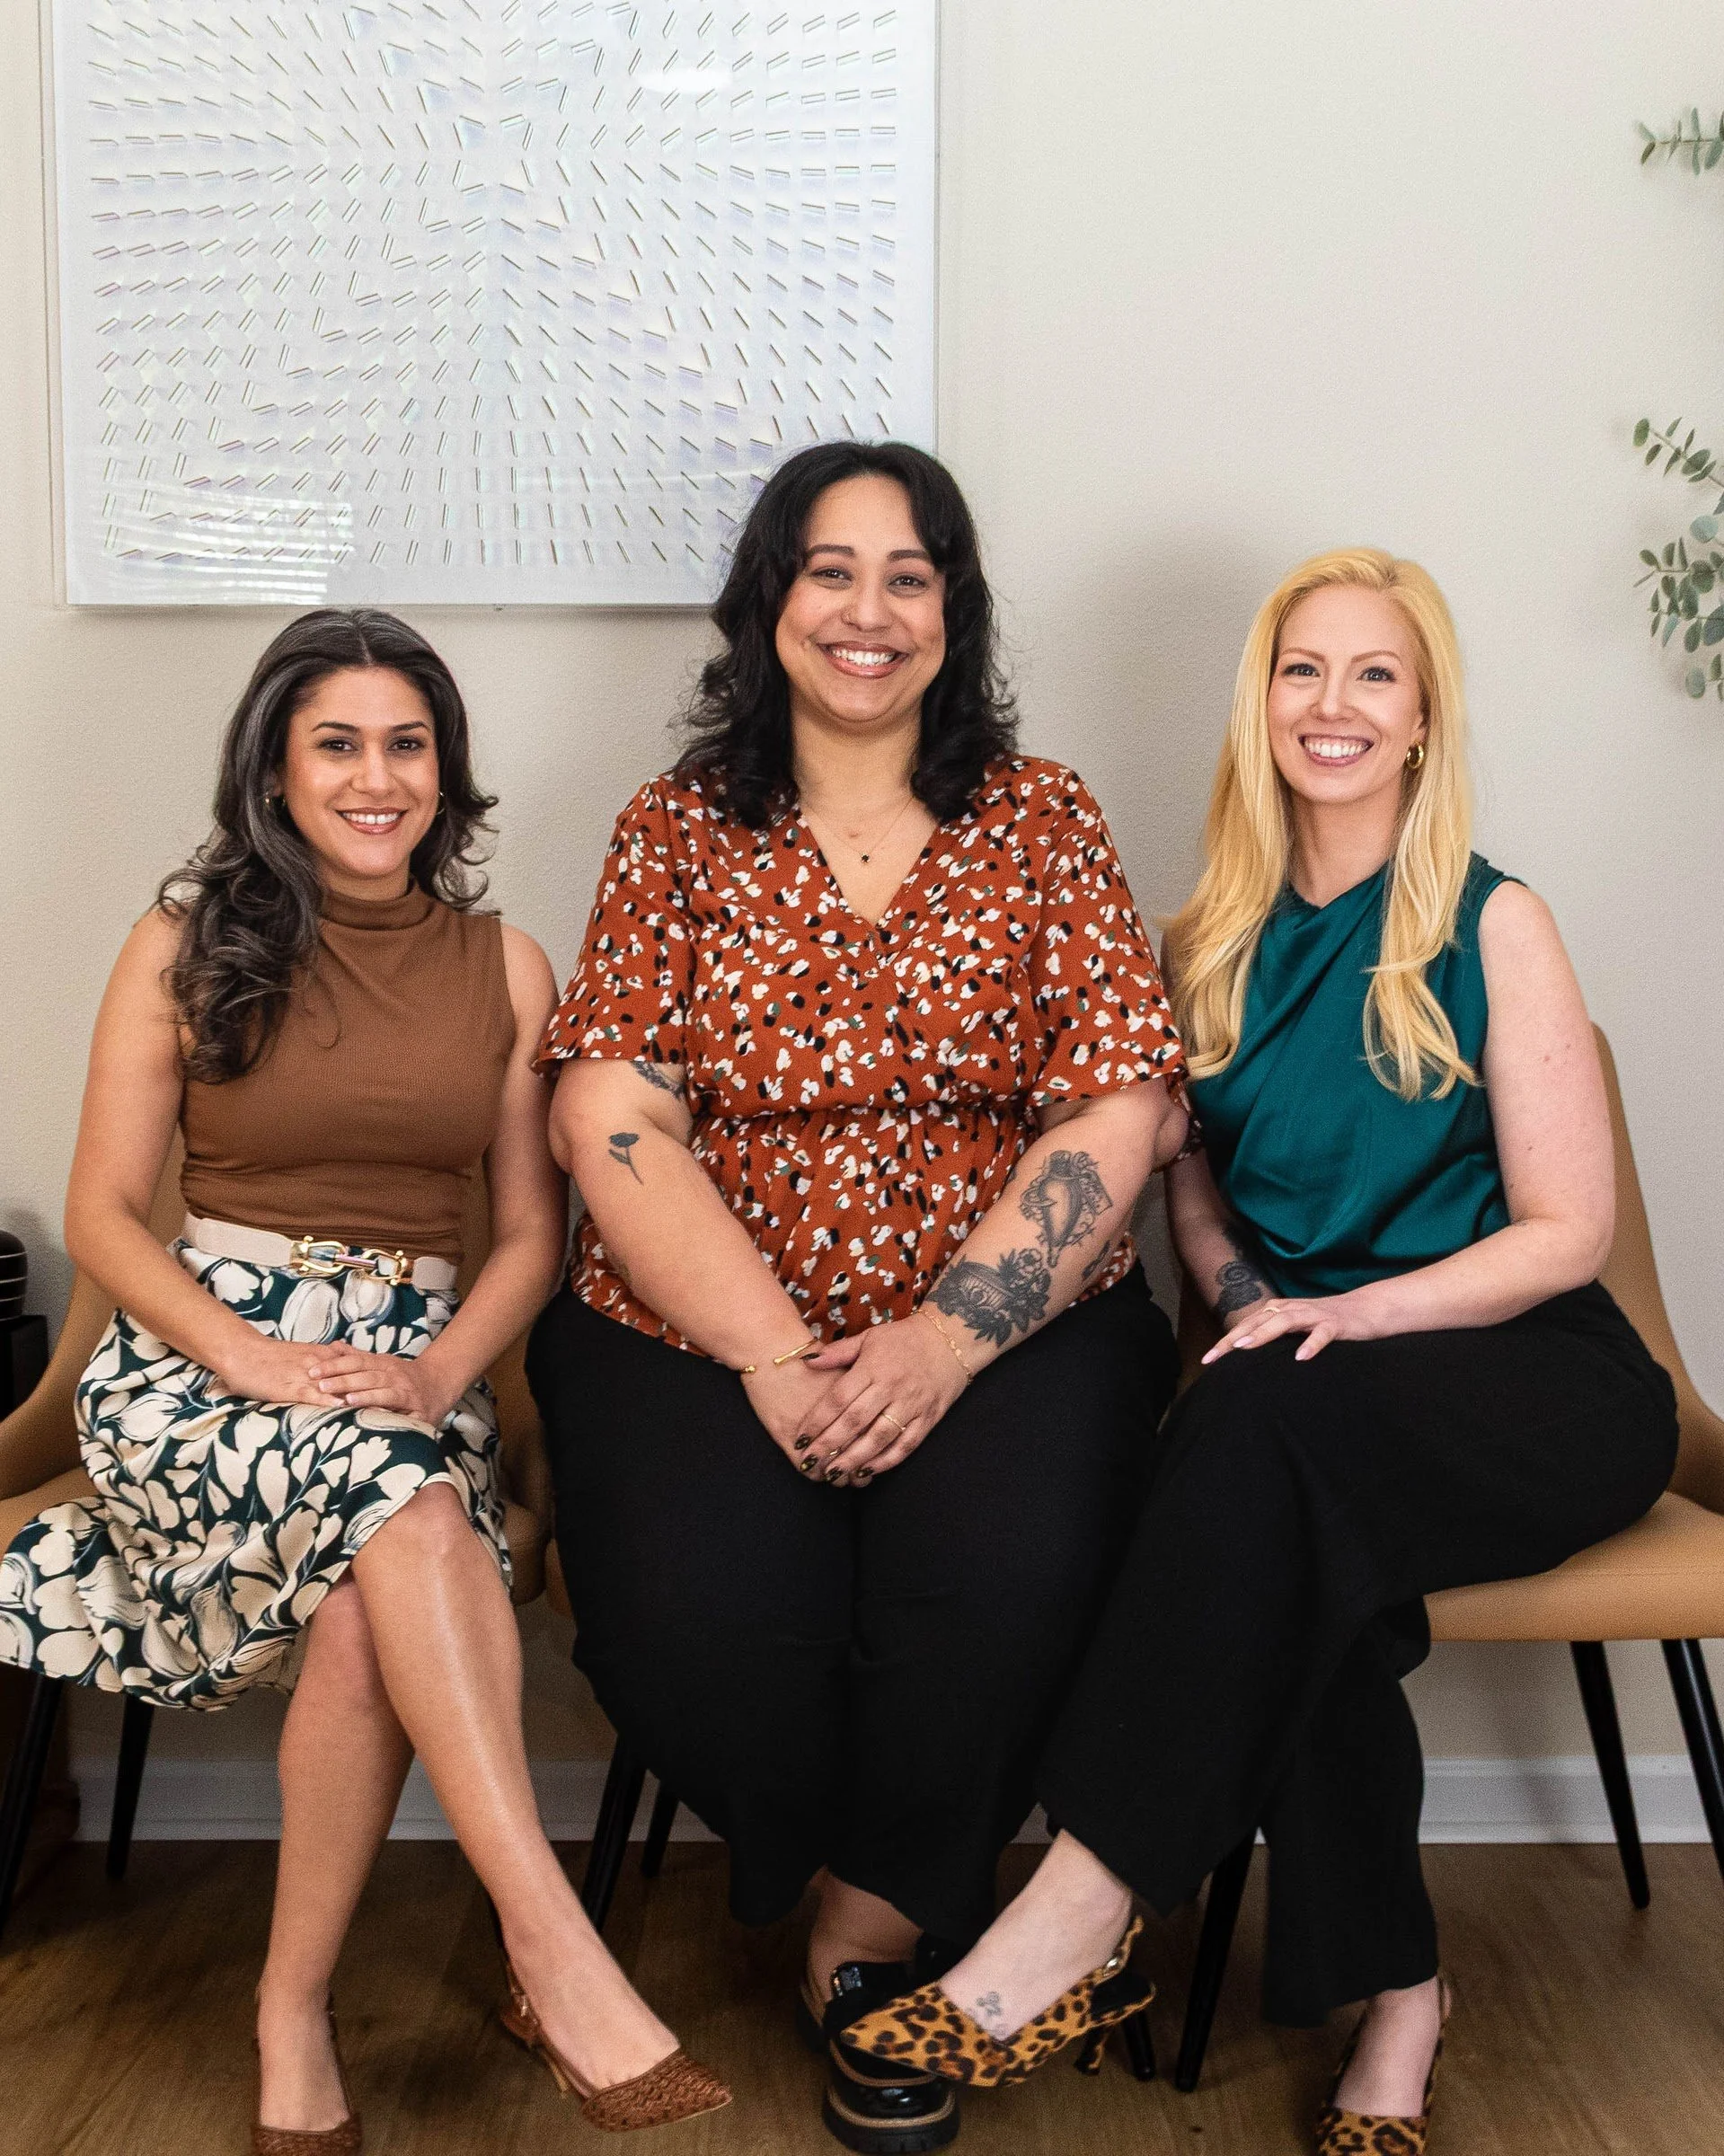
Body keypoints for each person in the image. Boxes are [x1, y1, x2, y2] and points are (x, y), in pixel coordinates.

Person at [836, 548, 1680, 2156]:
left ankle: (1069, 1922)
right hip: (1307, 1397)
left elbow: (1568, 1231)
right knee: (1297, 1514)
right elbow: (1193, 1190)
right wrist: (1236, 1291)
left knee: (1265, 1438)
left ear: (1422, 719)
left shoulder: (1495, 925)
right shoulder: (1199, 944)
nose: (1333, 704)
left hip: (1532, 1379)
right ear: (1261, 704)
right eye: (1302, 670)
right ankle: (1401, 2003)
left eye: (1374, 674)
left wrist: (1348, 1315)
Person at [527, 440, 1189, 2152]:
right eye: (831, 570)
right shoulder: (673, 831)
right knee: (695, 1612)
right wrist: (764, 1353)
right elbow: (606, 1107)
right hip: (698, 1322)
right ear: (768, 602)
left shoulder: (1043, 821)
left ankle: (866, 1930)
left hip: (1009, 1319)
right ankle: (882, 1858)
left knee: (1007, 1574)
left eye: (910, 574)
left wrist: (950, 1336)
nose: (868, 609)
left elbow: (1119, 1097)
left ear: (953, 613)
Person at [0, 610, 728, 2148]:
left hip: (410, 1360)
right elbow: (100, 1218)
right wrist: (253, 1352)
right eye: (338, 742)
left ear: (446, 774)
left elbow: (531, 1236)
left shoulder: (507, 967)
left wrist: (439, 1371)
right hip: (201, 1359)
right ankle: (553, 1943)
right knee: (406, 1522)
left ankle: (289, 2010)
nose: (376, 777)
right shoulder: (181, 944)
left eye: (408, 744)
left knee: (368, 1585)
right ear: (275, 765)